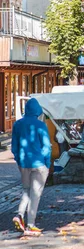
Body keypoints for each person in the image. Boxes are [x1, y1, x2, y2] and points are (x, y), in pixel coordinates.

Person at [11, 98, 52, 236]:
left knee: (26, 191)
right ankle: (30, 224)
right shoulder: (41, 125)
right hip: (39, 163)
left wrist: (18, 160)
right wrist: (47, 163)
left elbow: (14, 147)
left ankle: (19, 214)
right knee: (36, 194)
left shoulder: (17, 124)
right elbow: (47, 147)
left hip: (23, 163)